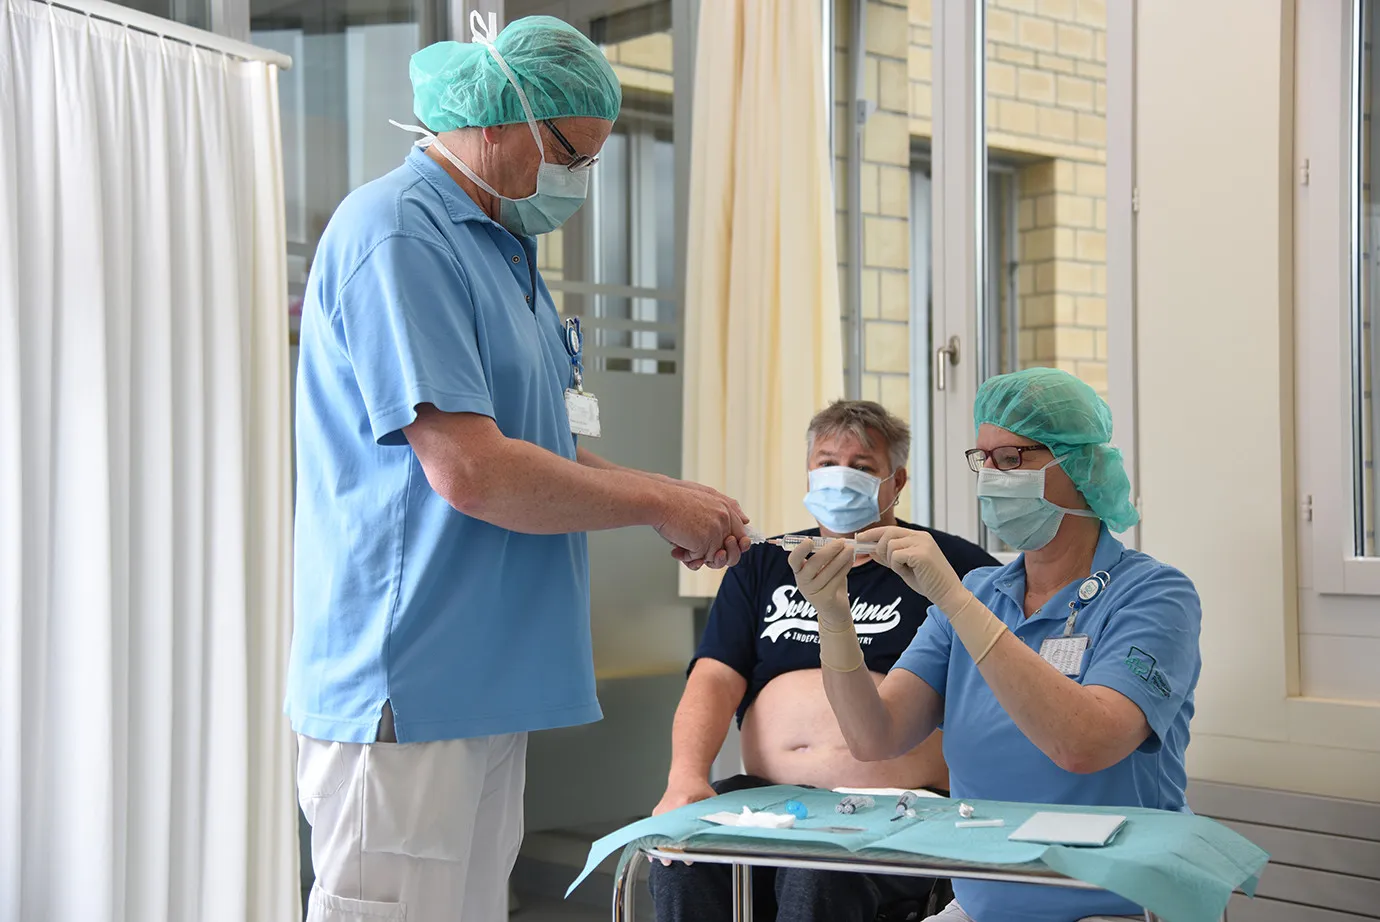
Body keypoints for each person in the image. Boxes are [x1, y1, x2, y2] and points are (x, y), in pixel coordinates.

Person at [285, 16, 750, 922]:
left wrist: (671, 505)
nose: (577, 182)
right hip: (413, 677)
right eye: (570, 154)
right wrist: (659, 499)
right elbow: (474, 473)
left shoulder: (502, 249)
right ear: (499, 123)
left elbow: (545, 445)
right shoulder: (401, 236)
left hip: (487, 676)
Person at [788, 368, 1202, 922]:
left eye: (1012, 459)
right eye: (982, 459)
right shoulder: (985, 591)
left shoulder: (1153, 595)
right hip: (985, 904)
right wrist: (834, 617)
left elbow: (1084, 745)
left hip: (1116, 907)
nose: (991, 477)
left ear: (1079, 467)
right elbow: (874, 735)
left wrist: (956, 602)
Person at [650, 400, 998, 922]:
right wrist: (684, 779)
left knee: (818, 871)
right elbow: (714, 679)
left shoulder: (947, 566)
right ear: (808, 471)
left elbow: (1001, 682)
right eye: (827, 462)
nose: (840, 477)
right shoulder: (765, 562)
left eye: (861, 467)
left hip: (904, 803)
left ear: (896, 481)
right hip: (770, 798)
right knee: (682, 861)